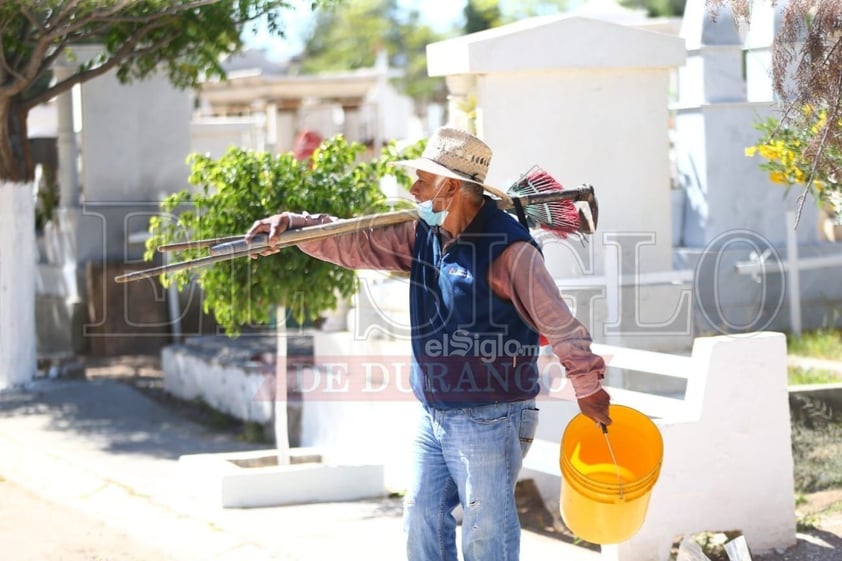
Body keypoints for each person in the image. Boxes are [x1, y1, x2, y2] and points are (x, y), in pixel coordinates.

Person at [245, 127, 611, 561]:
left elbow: (561, 326)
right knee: (420, 514)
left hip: (491, 414)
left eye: (422, 179)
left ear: (451, 187)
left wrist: (588, 387)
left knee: (485, 530)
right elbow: (354, 240)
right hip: (435, 409)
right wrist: (293, 228)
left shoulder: (510, 250)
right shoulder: (423, 235)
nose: (413, 188)